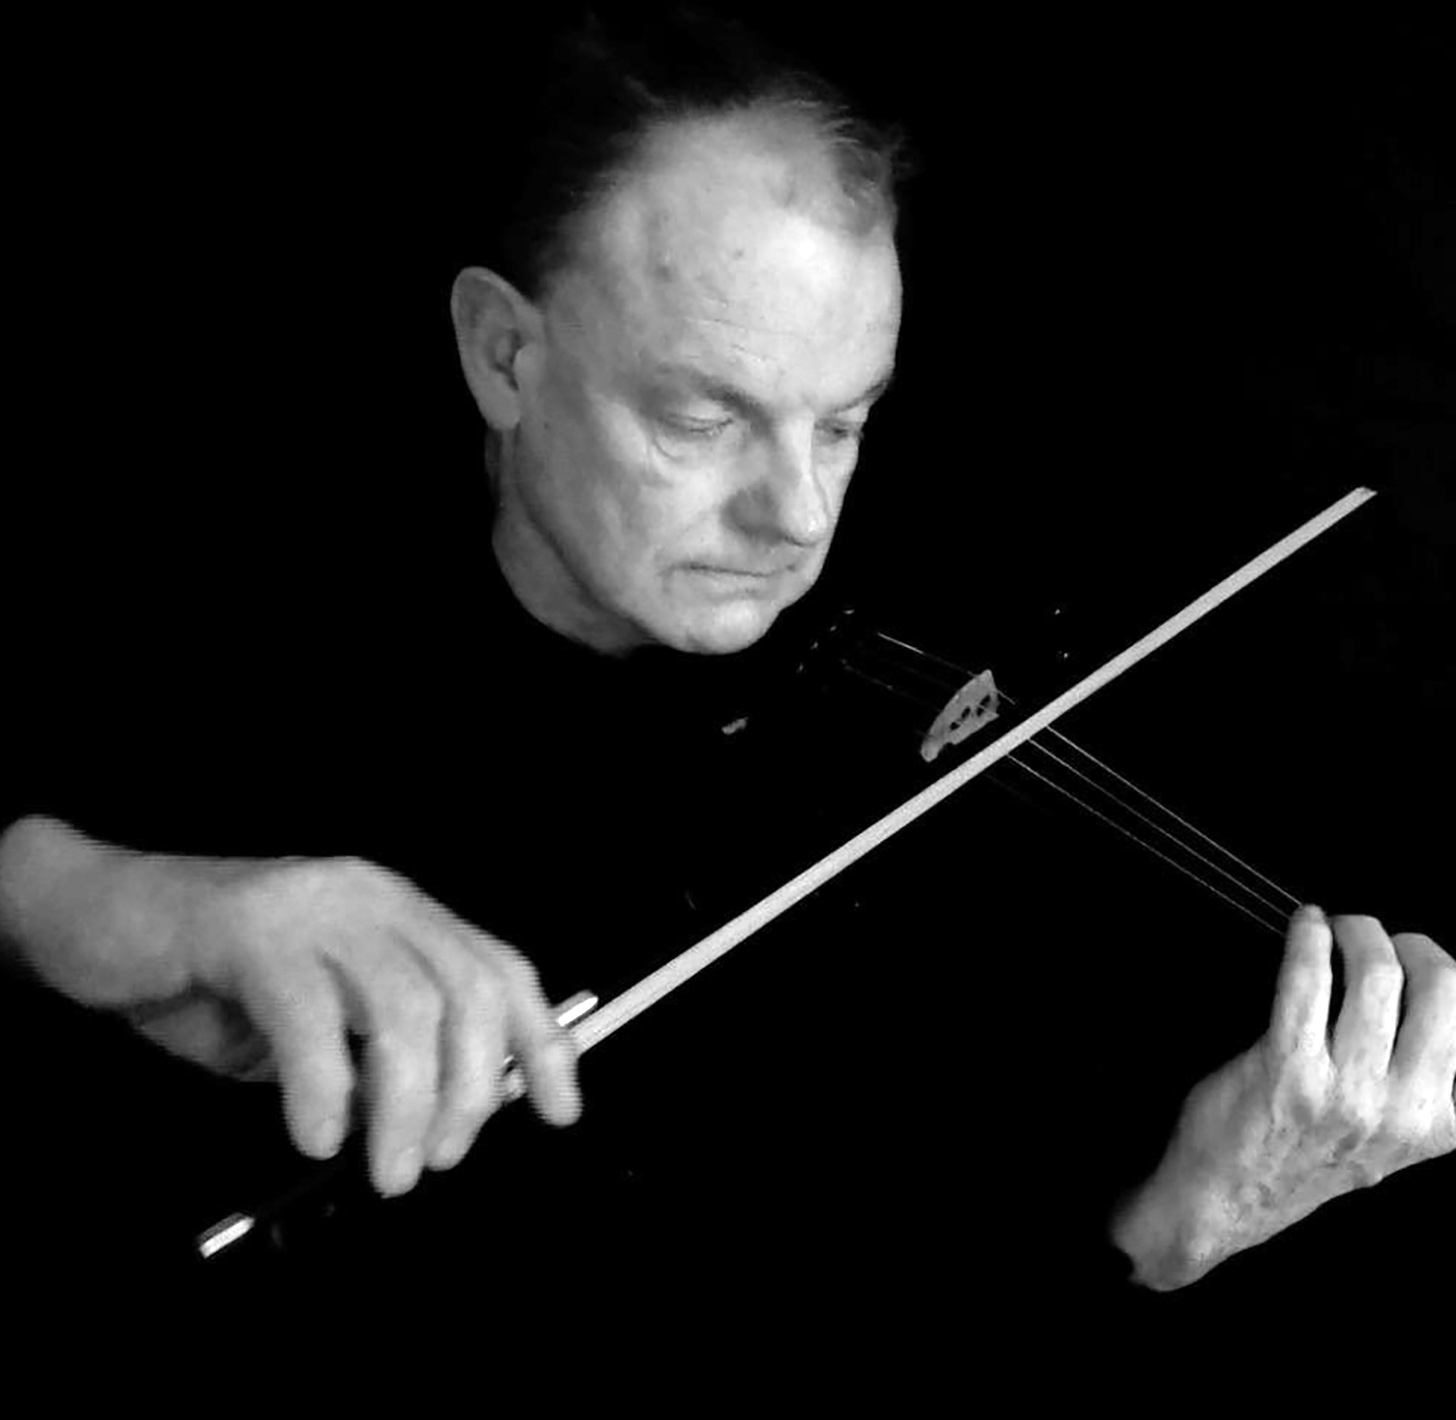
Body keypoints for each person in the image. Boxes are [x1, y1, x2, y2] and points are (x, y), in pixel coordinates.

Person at [1, 5, 1451, 1303]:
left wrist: (1171, 1224)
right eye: (702, 423)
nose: (797, 516)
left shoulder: (956, 575)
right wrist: (116, 900)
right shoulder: (242, 585)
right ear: (504, 355)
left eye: (846, 423)